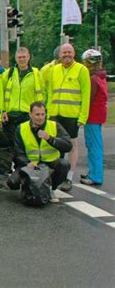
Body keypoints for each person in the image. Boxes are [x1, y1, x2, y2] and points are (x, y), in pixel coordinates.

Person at [47, 43, 90, 191]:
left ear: (74, 54)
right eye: (64, 52)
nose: (66, 55)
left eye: (69, 52)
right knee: (54, 145)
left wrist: (82, 117)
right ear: (59, 55)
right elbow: (50, 92)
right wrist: (48, 112)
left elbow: (86, 95)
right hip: (54, 114)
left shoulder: (81, 70)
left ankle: (69, 177)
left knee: (71, 145)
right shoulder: (54, 70)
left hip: (72, 115)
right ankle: (55, 174)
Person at [12, 101, 73, 203]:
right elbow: (18, 152)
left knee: (64, 164)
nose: (40, 118)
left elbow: (68, 145)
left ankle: (52, 188)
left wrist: (50, 139)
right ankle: (28, 186)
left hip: (50, 163)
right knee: (12, 182)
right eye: (37, 114)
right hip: (32, 164)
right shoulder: (21, 128)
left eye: (42, 114)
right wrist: (27, 163)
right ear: (30, 115)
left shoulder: (54, 125)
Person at [1, 47, 45, 147]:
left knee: (27, 143)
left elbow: (43, 93)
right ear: (16, 58)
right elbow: (1, 93)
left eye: (24, 57)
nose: (22, 59)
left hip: (28, 114)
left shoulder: (36, 73)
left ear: (28, 57)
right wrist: (2, 110)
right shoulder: (9, 73)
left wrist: (40, 113)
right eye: (19, 57)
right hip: (11, 115)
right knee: (12, 144)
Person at [80, 49, 108, 185]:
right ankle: (94, 172)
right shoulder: (101, 76)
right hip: (99, 115)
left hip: (92, 116)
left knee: (93, 146)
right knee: (95, 145)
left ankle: (95, 176)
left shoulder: (93, 79)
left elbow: (88, 98)